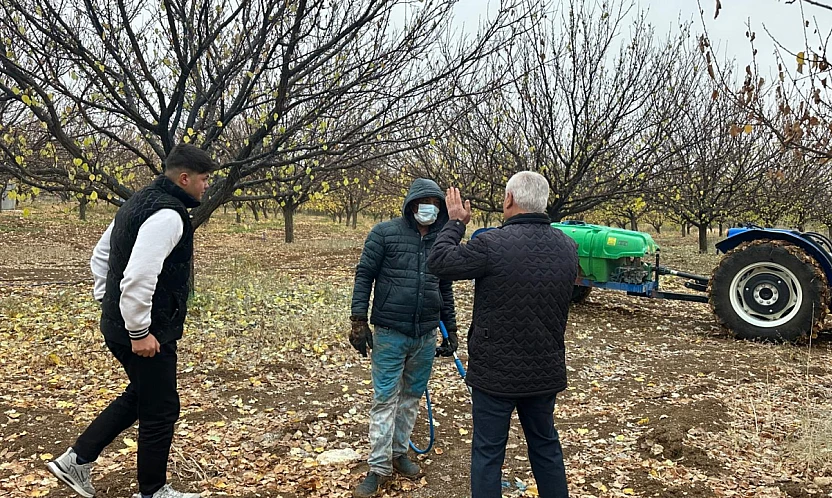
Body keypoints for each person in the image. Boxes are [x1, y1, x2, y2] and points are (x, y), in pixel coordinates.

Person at [47, 144, 215, 498]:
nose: (206, 187)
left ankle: (76, 460)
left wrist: (108, 304)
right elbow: (139, 275)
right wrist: (138, 329)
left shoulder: (139, 200)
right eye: (203, 180)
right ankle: (152, 491)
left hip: (123, 324)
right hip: (146, 331)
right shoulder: (169, 215)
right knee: (161, 409)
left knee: (142, 395)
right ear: (184, 178)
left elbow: (101, 255)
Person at [427, 172, 578, 498]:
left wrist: (454, 224)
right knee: (546, 447)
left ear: (509, 200)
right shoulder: (568, 247)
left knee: (488, 453)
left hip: (495, 374)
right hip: (544, 371)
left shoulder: (491, 244)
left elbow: (439, 262)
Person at [349, 178, 458, 498]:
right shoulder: (384, 233)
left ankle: (399, 453)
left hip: (424, 335)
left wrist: (449, 330)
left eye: (437, 204)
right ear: (412, 204)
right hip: (389, 333)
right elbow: (364, 275)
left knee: (411, 398)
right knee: (385, 399)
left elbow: (445, 288)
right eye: (426, 203)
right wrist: (358, 320)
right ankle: (378, 467)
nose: (431, 209)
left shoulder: (441, 240)